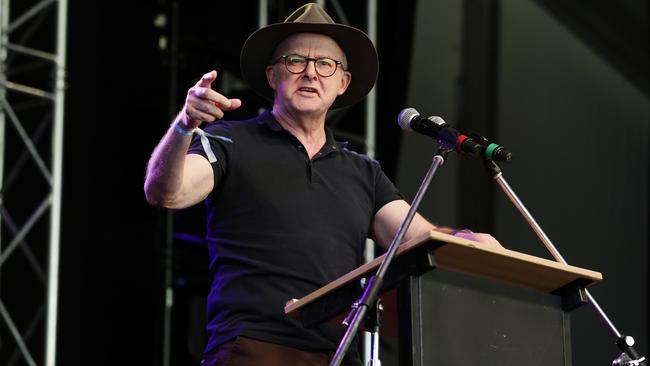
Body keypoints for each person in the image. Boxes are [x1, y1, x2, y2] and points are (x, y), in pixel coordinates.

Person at [144, 3, 500, 366]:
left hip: (338, 354)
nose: (310, 73)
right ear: (272, 76)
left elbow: (414, 238)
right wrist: (185, 126)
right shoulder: (230, 141)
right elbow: (166, 192)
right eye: (295, 61)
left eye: (325, 64)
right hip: (254, 348)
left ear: (342, 82)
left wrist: (465, 242)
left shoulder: (363, 171)